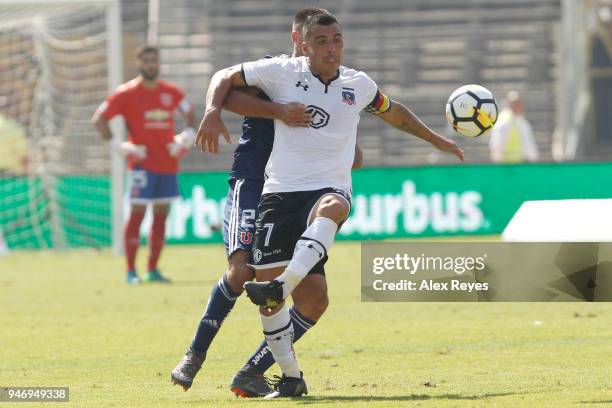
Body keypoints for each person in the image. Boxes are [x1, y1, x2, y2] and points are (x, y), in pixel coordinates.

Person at [198, 11, 464, 398]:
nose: (331, 48)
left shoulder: (358, 84)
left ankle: (281, 285)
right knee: (295, 304)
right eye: (321, 41)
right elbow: (225, 79)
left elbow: (395, 112)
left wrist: (435, 139)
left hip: (327, 188)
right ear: (303, 45)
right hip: (279, 193)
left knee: (334, 207)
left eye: (336, 39)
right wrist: (212, 111)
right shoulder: (282, 73)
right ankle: (289, 378)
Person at [171, 7, 364, 397]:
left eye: (330, 40)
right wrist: (222, 111)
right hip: (255, 179)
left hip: (300, 189)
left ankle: (253, 371)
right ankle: (194, 355)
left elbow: (337, 127)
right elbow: (227, 89)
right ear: (298, 39)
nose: (311, 46)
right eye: (307, 39)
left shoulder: (330, 82)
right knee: (241, 272)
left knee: (314, 300)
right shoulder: (270, 70)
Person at [92, 45, 196, 284]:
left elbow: (190, 115)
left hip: (168, 163)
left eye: (154, 61)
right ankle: (130, 271)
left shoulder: (172, 93)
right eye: (146, 61)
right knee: (137, 213)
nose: (151, 65)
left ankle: (153, 269)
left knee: (161, 214)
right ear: (138, 64)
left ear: (159, 63)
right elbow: (99, 120)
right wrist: (120, 146)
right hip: (141, 165)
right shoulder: (126, 93)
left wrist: (186, 138)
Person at [489, 91, 539, 163]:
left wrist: (533, 158)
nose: (519, 106)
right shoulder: (504, 120)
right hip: (507, 167)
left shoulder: (521, 120)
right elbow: (497, 143)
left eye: (519, 103)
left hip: (520, 164)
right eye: (515, 103)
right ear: (509, 104)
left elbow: (528, 143)